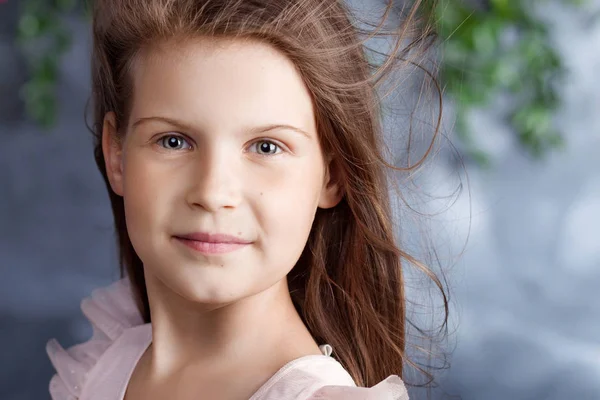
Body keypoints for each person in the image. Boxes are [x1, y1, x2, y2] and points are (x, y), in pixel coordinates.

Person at [46, 0, 447, 398]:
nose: (212, 193)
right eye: (173, 141)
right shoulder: (97, 369)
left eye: (267, 147)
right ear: (117, 154)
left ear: (332, 175)